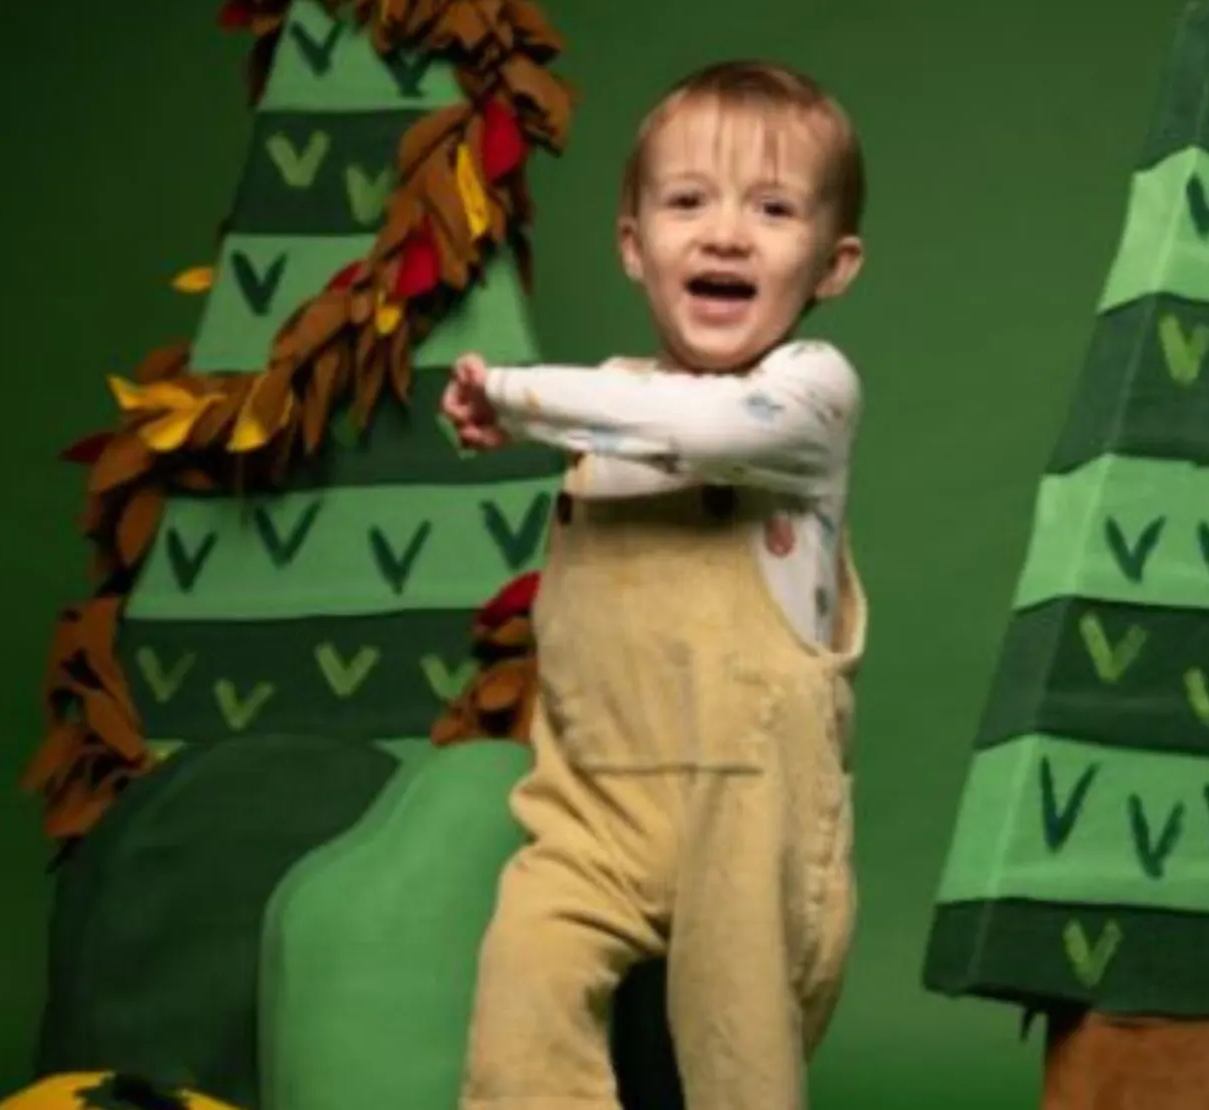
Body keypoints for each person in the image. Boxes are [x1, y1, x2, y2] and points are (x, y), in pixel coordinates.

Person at [440, 59, 870, 1110]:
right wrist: (539, 410)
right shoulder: (611, 406)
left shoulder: (808, 396)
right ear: (634, 246)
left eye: (772, 209)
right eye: (688, 203)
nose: (725, 235)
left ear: (831, 263)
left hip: (748, 815)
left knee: (738, 1063)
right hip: (590, 804)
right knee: (519, 1006)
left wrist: (519, 398)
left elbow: (710, 432)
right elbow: (634, 424)